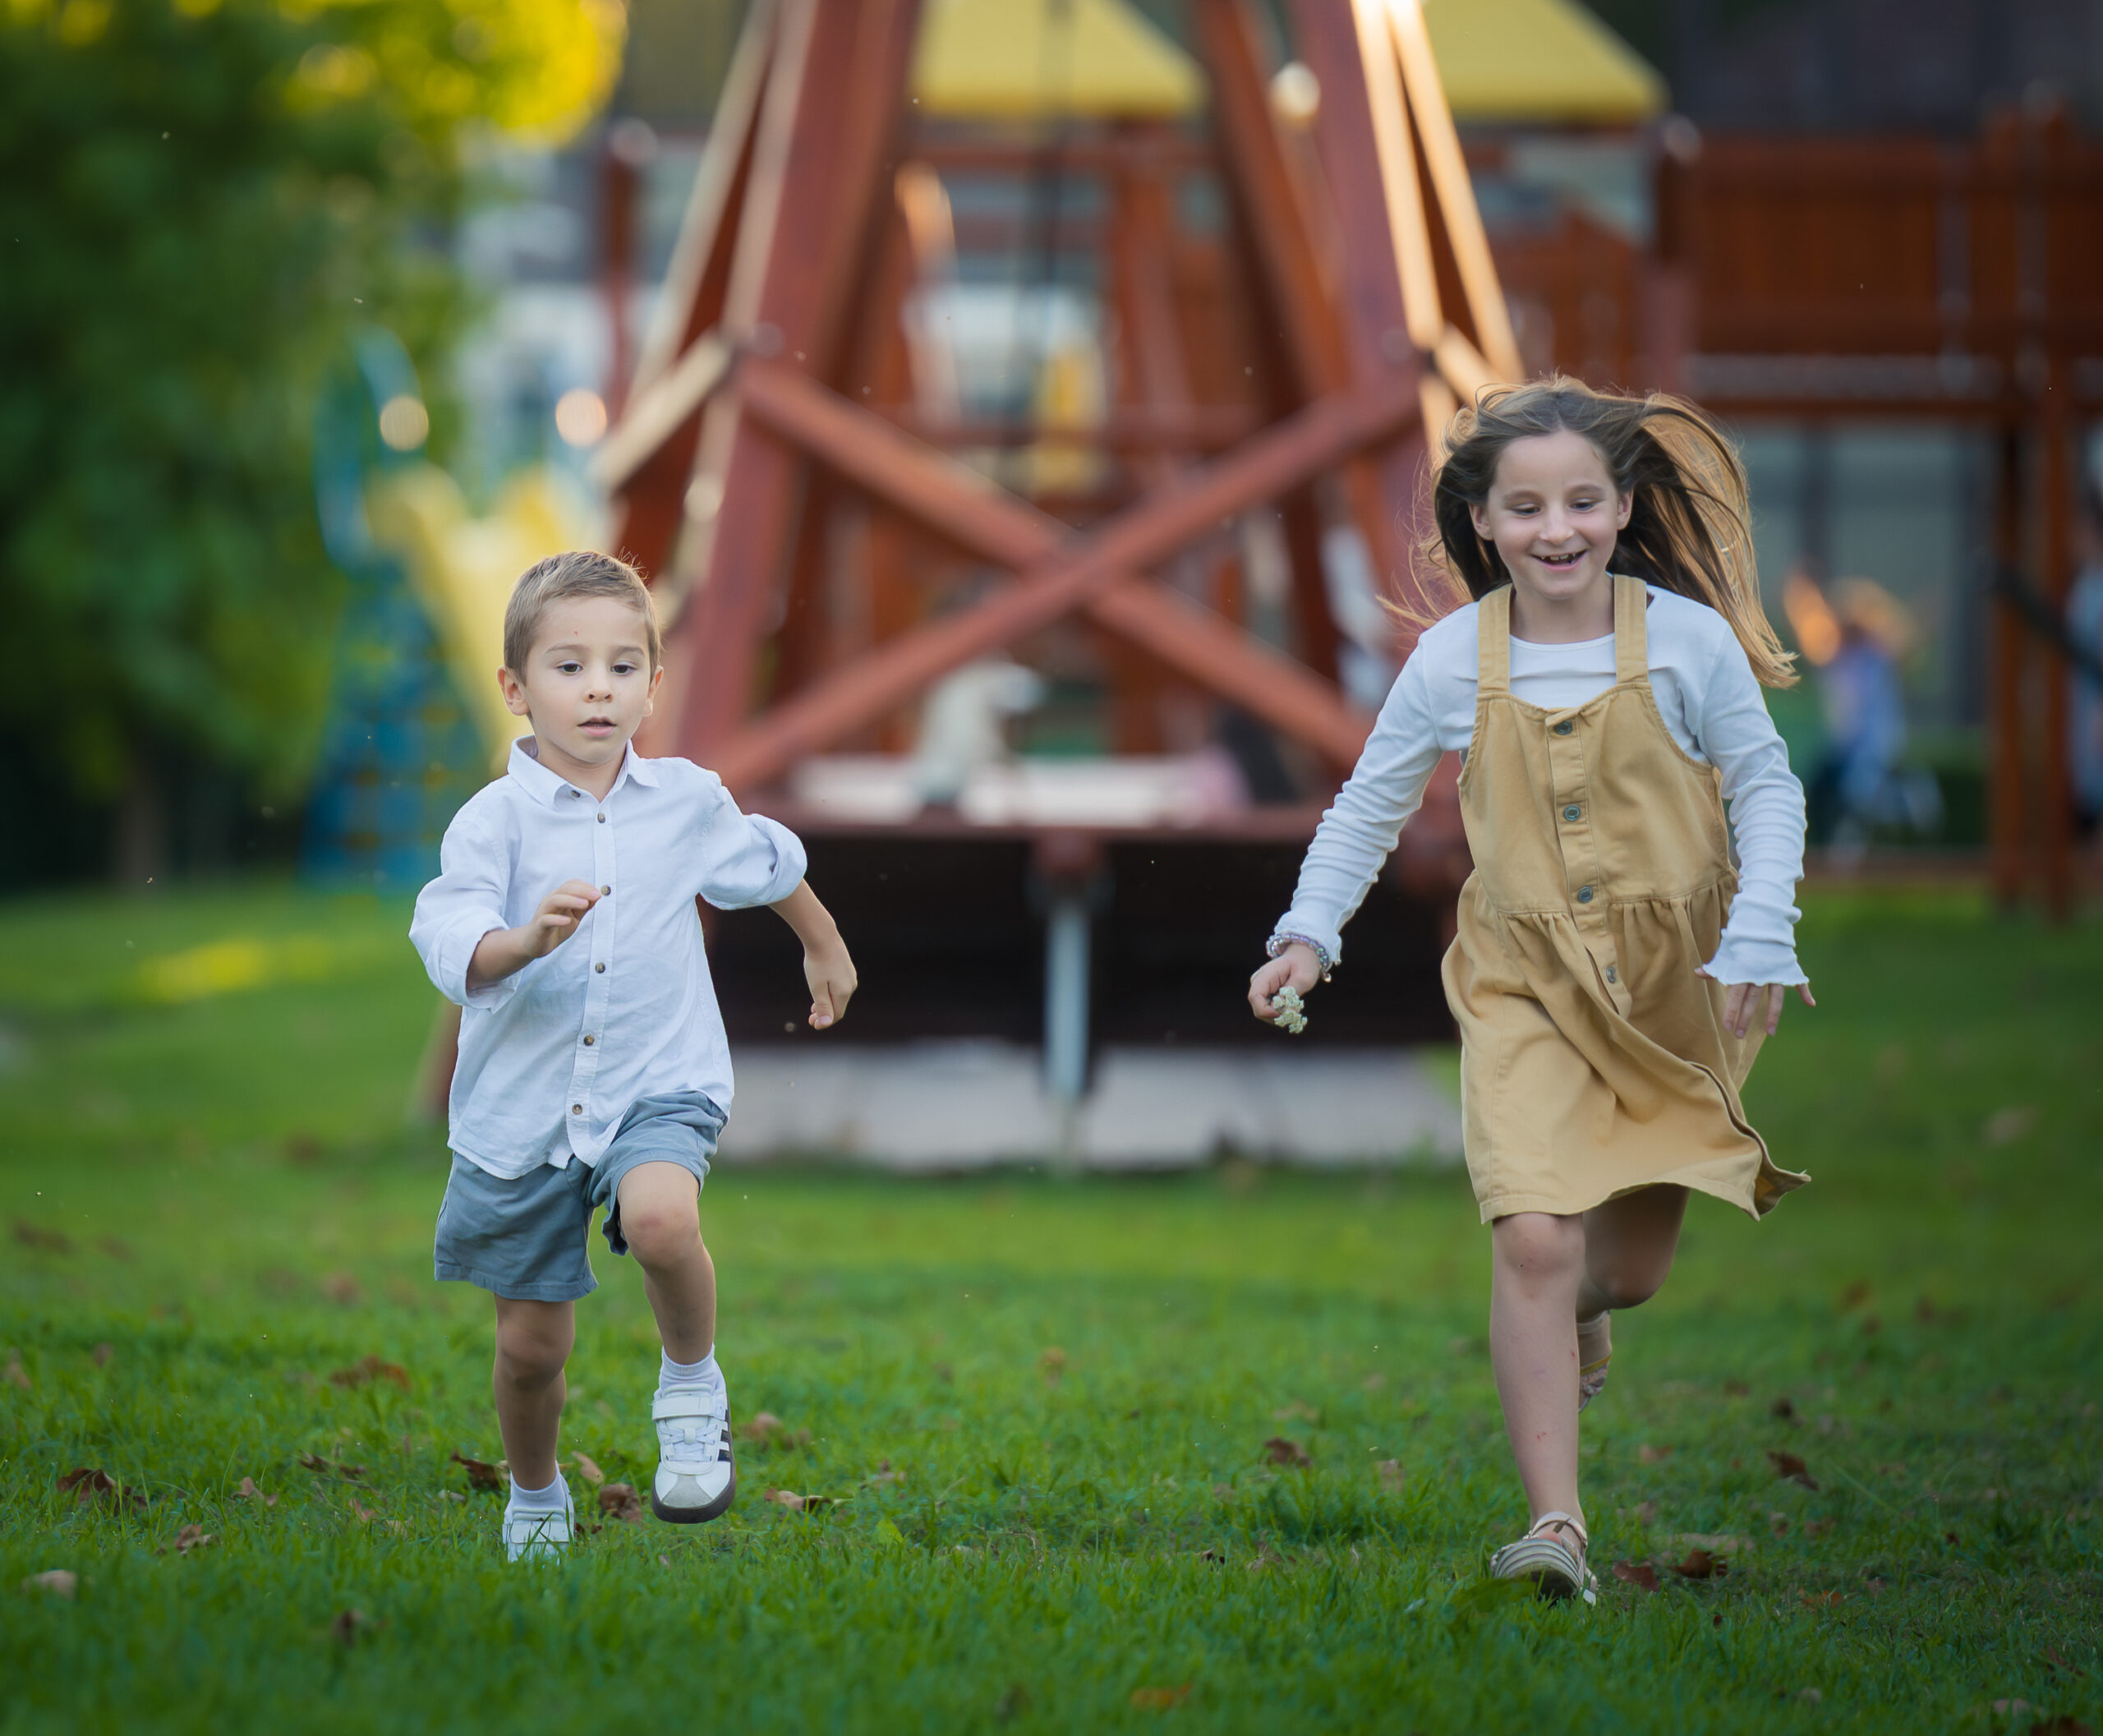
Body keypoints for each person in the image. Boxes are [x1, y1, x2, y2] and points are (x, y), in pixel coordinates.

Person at [1247, 379, 1813, 1604]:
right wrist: (1308, 936)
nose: (1556, 529)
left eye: (1581, 502)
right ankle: (1555, 1526)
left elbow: (1767, 788)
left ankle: (1580, 1318)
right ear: (1485, 522)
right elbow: (1368, 806)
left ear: (1622, 507)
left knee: (1630, 1271)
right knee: (1539, 1241)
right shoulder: (1456, 658)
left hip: (1677, 990)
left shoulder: (1687, 642)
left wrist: (1762, 932)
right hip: (1522, 983)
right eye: (1525, 507)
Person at [410, 551, 858, 1561]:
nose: (598, 687)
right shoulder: (493, 821)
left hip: (657, 1082)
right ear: (516, 689)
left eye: (622, 666)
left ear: (655, 687)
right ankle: (534, 1491)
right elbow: (450, 935)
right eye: (569, 667)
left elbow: (763, 864)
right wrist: (525, 941)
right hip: (520, 1115)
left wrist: (822, 941)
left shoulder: (685, 800)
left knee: (660, 1220)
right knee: (533, 1351)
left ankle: (692, 1388)